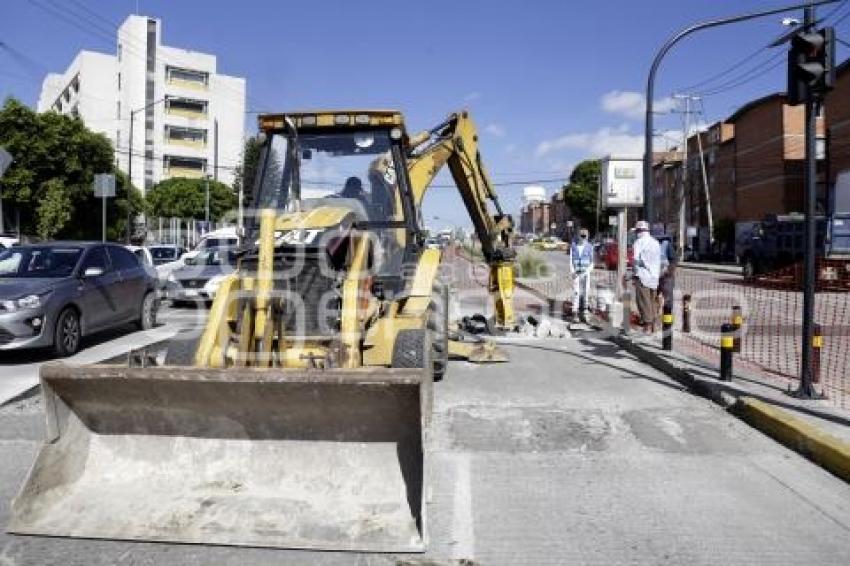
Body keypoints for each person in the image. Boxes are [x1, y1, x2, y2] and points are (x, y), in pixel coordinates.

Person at [632, 220, 661, 332]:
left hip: (643, 275)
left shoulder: (638, 242)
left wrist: (634, 274)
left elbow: (636, 260)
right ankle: (654, 324)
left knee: (643, 301)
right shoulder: (655, 242)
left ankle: (647, 325)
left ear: (639, 231)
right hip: (654, 276)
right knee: (652, 300)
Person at [570, 228, 594, 323]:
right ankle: (575, 312)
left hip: (585, 274)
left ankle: (585, 312)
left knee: (585, 293)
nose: (583, 237)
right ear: (578, 236)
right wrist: (572, 271)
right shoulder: (574, 246)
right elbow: (571, 260)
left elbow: (592, 262)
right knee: (576, 292)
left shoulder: (589, 247)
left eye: (585, 236)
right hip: (576, 273)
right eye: (582, 236)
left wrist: (587, 271)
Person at [657, 233, 677, 315]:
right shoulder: (648, 244)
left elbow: (673, 260)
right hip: (652, 277)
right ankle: (653, 323)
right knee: (652, 300)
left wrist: (668, 272)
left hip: (665, 277)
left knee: (667, 301)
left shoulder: (666, 244)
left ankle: (667, 324)